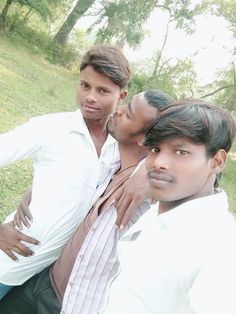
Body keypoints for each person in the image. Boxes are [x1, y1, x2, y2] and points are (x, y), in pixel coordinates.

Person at [0, 90, 175, 313]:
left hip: (73, 305)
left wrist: (146, 171)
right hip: (41, 280)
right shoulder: (110, 159)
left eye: (129, 114)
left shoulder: (151, 193)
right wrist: (37, 188)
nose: (119, 110)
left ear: (144, 139)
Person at [0, 45, 131, 299]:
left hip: (44, 277)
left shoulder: (119, 148)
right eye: (85, 85)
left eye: (102, 90)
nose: (90, 97)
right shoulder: (50, 129)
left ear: (121, 95)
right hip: (5, 266)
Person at [99, 99, 236, 314]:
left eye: (181, 152)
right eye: (155, 149)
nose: (158, 163)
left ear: (216, 162)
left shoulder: (221, 247)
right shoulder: (162, 212)